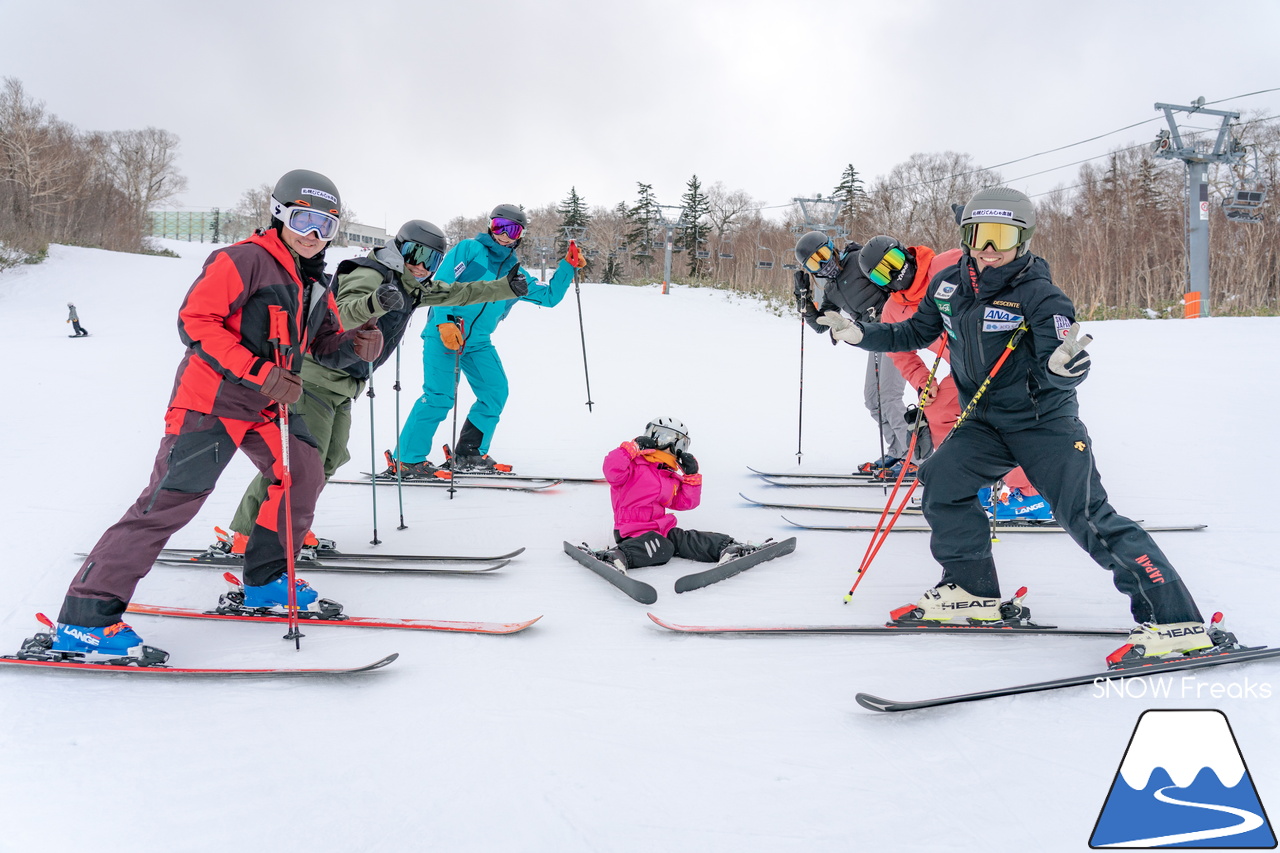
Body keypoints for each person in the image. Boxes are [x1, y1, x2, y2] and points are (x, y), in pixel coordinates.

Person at [818, 187, 1232, 666]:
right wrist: (860, 334)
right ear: (966, 237)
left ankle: (1175, 621)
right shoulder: (949, 285)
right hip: (985, 420)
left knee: (1088, 517)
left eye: (1001, 237)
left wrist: (1064, 369)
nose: (988, 249)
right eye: (978, 235)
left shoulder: (1041, 296)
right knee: (941, 482)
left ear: (1023, 239)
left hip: (1042, 422)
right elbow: (915, 332)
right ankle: (973, 592)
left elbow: (1066, 361)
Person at [49, 169, 384, 662]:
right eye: (305, 220)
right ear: (279, 215)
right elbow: (195, 322)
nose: (314, 235)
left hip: (266, 406)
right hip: (211, 404)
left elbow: (322, 344)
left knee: (303, 473)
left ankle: (267, 581)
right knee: (169, 504)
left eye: (326, 227)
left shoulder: (313, 282)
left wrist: (357, 345)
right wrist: (258, 371)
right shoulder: (243, 259)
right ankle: (85, 620)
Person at [213, 219, 530, 556]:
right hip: (312, 379)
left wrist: (505, 288)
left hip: (342, 384)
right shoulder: (371, 275)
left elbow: (459, 292)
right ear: (399, 247)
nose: (422, 266)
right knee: (300, 463)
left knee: (330, 458)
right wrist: (377, 301)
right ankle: (250, 534)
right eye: (416, 254)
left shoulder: (409, 284)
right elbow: (339, 315)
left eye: (432, 260)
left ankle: (290, 522)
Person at [855, 235, 1051, 521]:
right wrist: (924, 381)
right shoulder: (893, 310)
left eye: (894, 262)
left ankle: (1033, 495)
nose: (894, 273)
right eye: (882, 275)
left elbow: (998, 265)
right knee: (940, 411)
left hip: (1009, 356)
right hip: (966, 370)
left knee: (1001, 419)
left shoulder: (946, 263)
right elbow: (900, 352)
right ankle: (976, 483)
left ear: (906, 254)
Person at [389, 204, 583, 474]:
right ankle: (407, 460)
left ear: (520, 236)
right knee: (439, 396)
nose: (504, 235)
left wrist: (567, 267)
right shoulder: (469, 250)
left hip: (478, 342)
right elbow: (442, 284)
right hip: (444, 334)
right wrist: (444, 323)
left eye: (512, 230)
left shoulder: (514, 272)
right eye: (498, 227)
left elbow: (548, 297)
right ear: (489, 226)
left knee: (495, 392)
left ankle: (470, 453)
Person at [793, 232, 911, 475]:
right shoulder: (832, 290)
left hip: (895, 329)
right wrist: (803, 299)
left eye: (824, 255)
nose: (824, 264)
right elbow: (820, 325)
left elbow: (896, 281)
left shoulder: (859, 259)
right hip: (874, 336)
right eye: (815, 263)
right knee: (873, 400)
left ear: (832, 249)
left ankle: (914, 456)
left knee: (888, 397)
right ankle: (897, 451)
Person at [594, 418, 759, 570]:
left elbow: (685, 502)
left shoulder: (669, 476)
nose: (668, 448)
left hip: (661, 528)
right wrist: (630, 449)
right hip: (631, 530)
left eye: (677, 445)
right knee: (662, 548)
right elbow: (612, 470)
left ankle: (728, 547)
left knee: (685, 539)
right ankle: (616, 557)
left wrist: (691, 477)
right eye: (662, 439)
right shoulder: (633, 466)